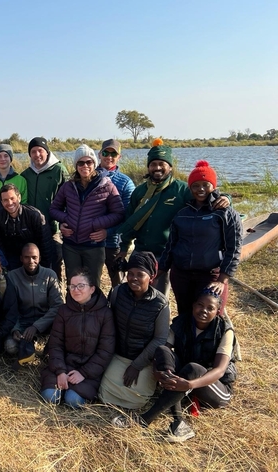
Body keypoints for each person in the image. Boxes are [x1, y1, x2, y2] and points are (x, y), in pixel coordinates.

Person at [112, 289, 237, 443]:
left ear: (218, 311)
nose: (203, 310)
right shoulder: (182, 322)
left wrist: (190, 384)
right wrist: (159, 371)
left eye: (210, 308)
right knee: (163, 351)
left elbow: (219, 371)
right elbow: (164, 349)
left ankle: (146, 418)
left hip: (215, 388)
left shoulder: (224, 330)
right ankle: (179, 422)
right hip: (184, 380)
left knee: (194, 368)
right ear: (193, 305)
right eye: (200, 305)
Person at [116, 139, 230, 296]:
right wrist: (123, 249)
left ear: (170, 167)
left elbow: (207, 195)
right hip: (141, 250)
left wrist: (226, 197)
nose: (157, 168)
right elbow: (131, 220)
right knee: (136, 292)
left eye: (161, 164)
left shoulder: (182, 189)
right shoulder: (140, 191)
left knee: (159, 296)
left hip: (166, 254)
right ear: (148, 167)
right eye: (153, 164)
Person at [158, 160, 242, 315]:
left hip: (210, 275)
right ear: (190, 188)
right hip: (181, 275)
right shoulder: (183, 213)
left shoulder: (225, 213)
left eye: (205, 184)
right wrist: (161, 270)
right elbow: (171, 246)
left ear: (213, 186)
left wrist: (222, 279)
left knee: (209, 316)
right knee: (184, 313)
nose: (200, 189)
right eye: (195, 185)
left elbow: (234, 247)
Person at [98, 251, 170, 409]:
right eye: (130, 273)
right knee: (105, 393)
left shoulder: (160, 303)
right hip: (119, 355)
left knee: (137, 399)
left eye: (140, 274)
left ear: (151, 277)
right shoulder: (118, 292)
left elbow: (160, 338)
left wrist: (136, 365)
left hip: (144, 359)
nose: (133, 278)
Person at [49, 144, 124, 288]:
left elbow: (119, 213)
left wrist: (99, 225)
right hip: (71, 245)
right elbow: (53, 209)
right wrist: (64, 221)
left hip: (94, 246)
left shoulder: (106, 186)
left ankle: (93, 311)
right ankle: (72, 311)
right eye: (81, 162)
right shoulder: (68, 186)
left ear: (94, 163)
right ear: (76, 165)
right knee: (74, 284)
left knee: (92, 285)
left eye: (89, 162)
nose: (85, 166)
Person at [40, 269, 115, 408]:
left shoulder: (105, 313)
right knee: (50, 397)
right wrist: (60, 371)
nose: (76, 290)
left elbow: (105, 350)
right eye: (72, 286)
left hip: (89, 369)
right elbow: (55, 344)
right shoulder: (63, 311)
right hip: (64, 363)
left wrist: (84, 373)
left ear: (92, 289)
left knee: (72, 401)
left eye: (81, 286)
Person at [22, 137, 69, 283]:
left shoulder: (58, 170)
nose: (37, 155)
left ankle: (57, 297)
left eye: (40, 151)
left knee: (54, 263)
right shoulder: (25, 175)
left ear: (47, 152)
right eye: (33, 151)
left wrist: (64, 221)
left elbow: (69, 198)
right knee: (33, 263)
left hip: (53, 228)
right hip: (31, 228)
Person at [6, 243, 64, 356]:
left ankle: (46, 346)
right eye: (26, 257)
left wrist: (37, 326)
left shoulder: (50, 275)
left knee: (63, 337)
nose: (31, 261)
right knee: (10, 347)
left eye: (34, 257)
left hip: (45, 321)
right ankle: (27, 344)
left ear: (40, 258)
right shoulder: (12, 276)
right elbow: (10, 307)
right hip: (23, 322)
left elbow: (57, 305)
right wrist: (15, 329)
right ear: (21, 258)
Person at [0, 184, 54, 270]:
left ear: (19, 198)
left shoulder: (34, 215)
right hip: (11, 258)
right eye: (5, 200)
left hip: (33, 258)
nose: (9, 203)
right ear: (1, 202)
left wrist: (44, 268)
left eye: (12, 198)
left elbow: (45, 244)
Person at [97, 139, 135, 287]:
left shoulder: (126, 182)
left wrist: (108, 232)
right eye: (106, 152)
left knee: (119, 284)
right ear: (99, 154)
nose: (109, 157)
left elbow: (127, 216)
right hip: (90, 242)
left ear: (119, 157)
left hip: (113, 243)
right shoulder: (88, 177)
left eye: (114, 154)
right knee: (90, 282)